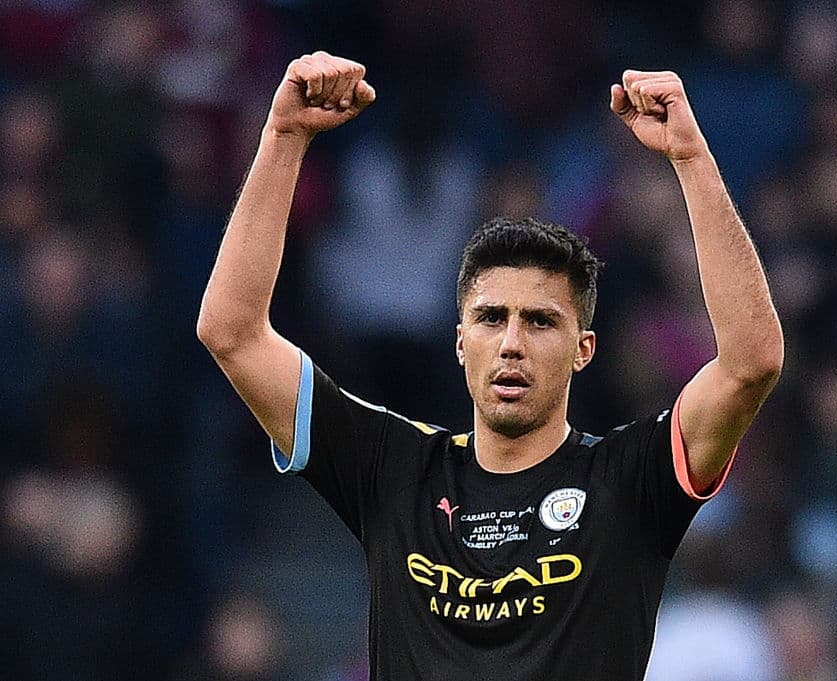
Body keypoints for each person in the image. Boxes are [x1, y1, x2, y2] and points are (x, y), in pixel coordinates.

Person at [197, 52, 783, 681]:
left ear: (583, 349)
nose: (511, 343)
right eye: (490, 318)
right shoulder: (395, 469)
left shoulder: (628, 482)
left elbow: (751, 363)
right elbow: (231, 332)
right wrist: (284, 139)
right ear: (459, 342)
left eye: (540, 321)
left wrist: (692, 162)